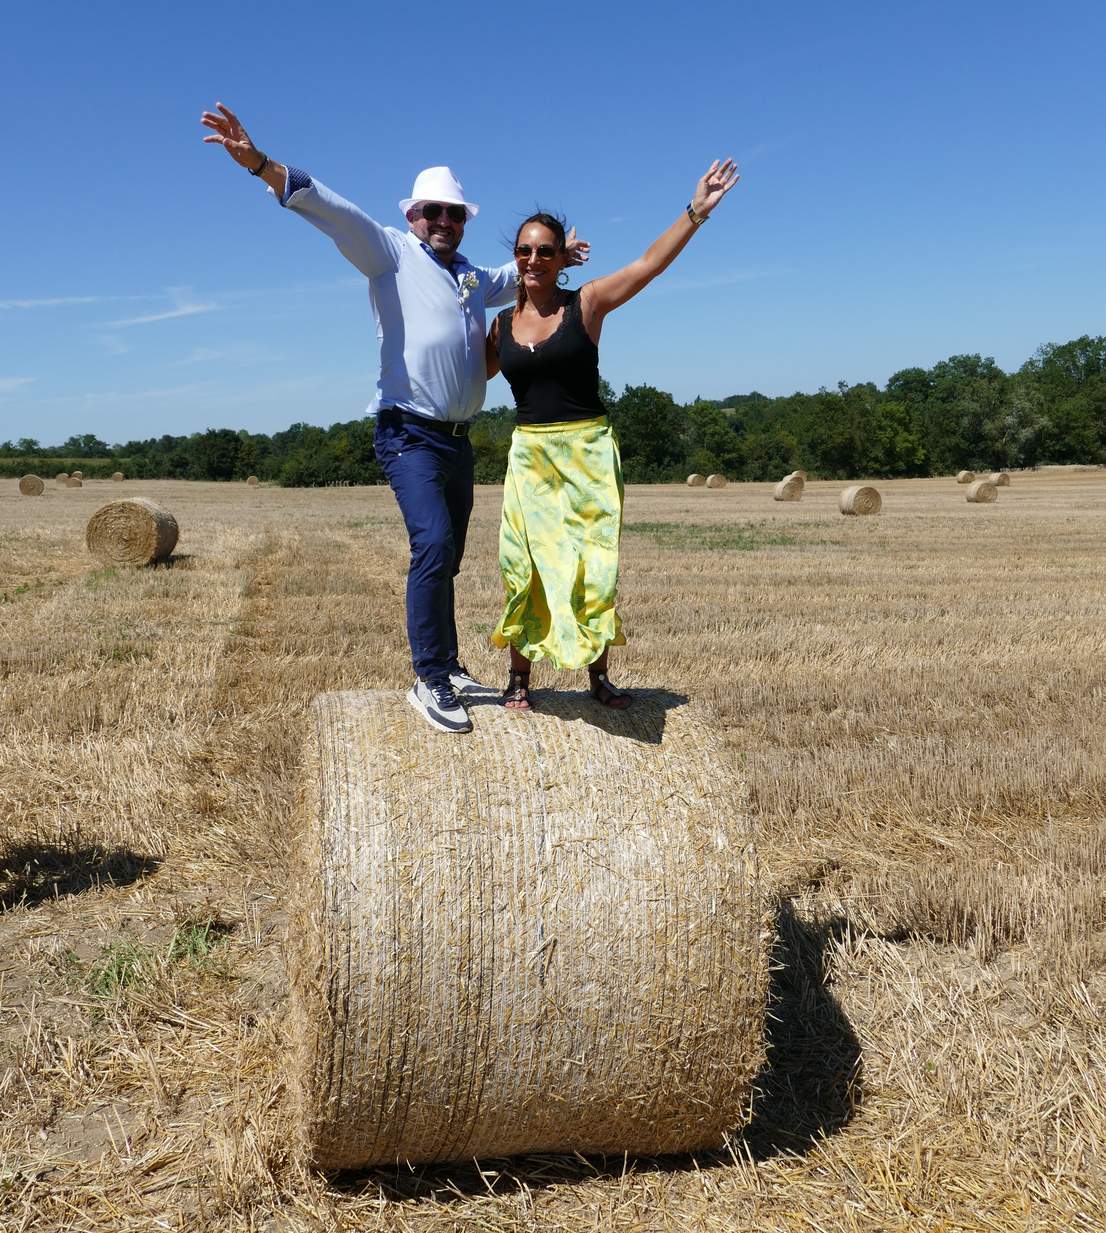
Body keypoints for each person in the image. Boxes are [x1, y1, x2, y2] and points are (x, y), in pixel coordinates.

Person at [200, 103, 587, 735]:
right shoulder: (389, 253)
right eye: (432, 211)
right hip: (408, 431)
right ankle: (430, 677)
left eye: (453, 213)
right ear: (412, 215)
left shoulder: (469, 276)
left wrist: (558, 257)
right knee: (431, 545)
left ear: (463, 223)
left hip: (459, 442)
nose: (443, 221)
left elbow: (520, 273)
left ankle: (450, 664)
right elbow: (332, 210)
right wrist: (261, 165)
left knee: (450, 554)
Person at [486, 160, 740, 712]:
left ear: (561, 259)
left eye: (545, 251)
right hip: (529, 455)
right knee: (523, 566)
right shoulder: (500, 325)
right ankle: (518, 678)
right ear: (515, 257)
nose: (533, 259)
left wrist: (694, 211)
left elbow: (648, 265)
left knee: (591, 567)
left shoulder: (589, 303)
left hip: (588, 453)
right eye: (525, 250)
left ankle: (598, 677)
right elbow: (466, 372)